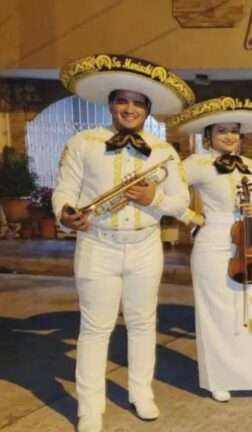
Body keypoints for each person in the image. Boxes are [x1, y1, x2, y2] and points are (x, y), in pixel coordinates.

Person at [54, 54, 194, 432]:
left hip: (146, 246)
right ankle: (90, 407)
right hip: (98, 244)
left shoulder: (165, 151)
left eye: (138, 102)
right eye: (122, 100)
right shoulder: (83, 142)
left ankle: (141, 393)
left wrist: (156, 200)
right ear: (111, 104)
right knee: (95, 328)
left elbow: (182, 202)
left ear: (147, 109)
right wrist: (66, 211)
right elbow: (65, 188)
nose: (129, 108)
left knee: (143, 323)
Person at [167, 96, 252, 403]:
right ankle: (219, 378)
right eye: (222, 131)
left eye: (234, 130)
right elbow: (167, 191)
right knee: (216, 313)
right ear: (209, 135)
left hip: (248, 238)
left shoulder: (250, 165)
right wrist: (191, 217)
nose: (229, 136)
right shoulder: (197, 163)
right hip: (214, 242)